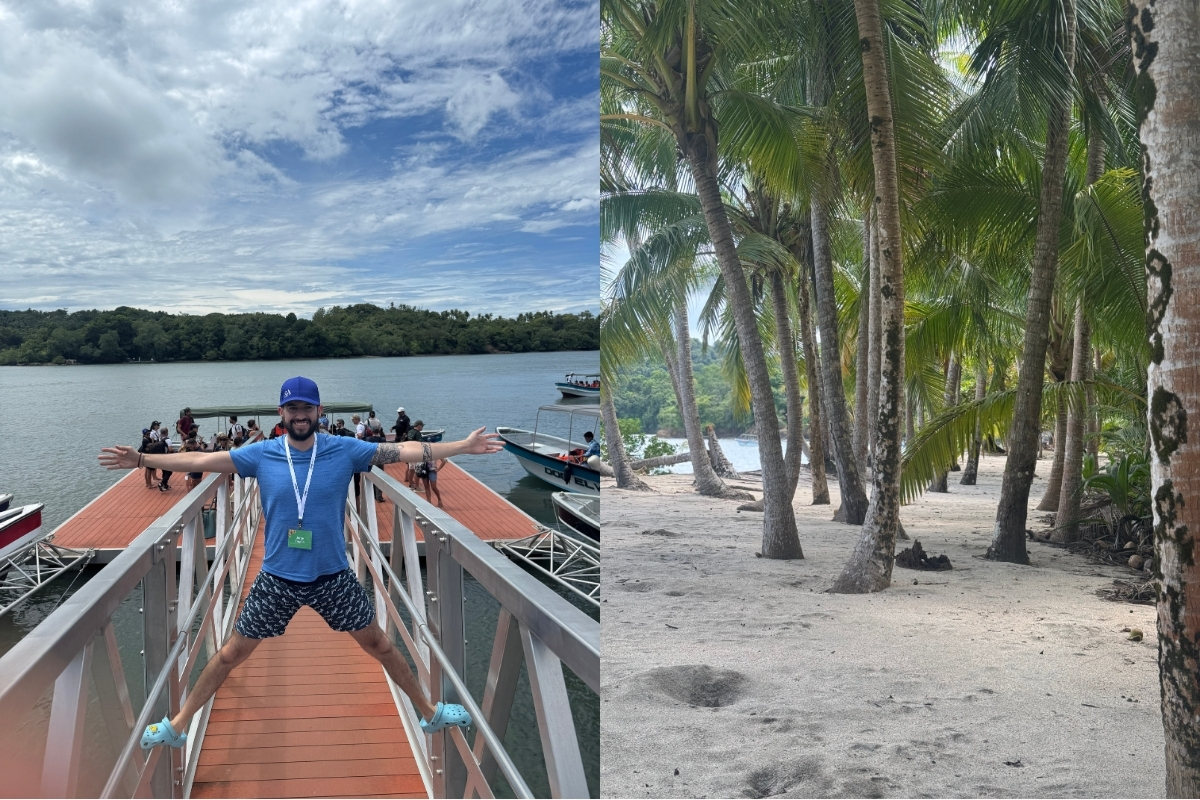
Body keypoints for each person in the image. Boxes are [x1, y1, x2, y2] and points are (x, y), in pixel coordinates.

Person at [99, 376, 504, 750]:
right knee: (229, 654)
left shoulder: (344, 450)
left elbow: (404, 450)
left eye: (306, 408)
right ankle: (178, 725)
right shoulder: (261, 455)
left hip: (333, 576)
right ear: (282, 414)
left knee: (380, 643)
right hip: (278, 577)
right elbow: (199, 463)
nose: (299, 415)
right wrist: (142, 461)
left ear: (318, 412)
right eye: (292, 409)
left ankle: (430, 714)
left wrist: (462, 448)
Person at [404, 421, 425, 488]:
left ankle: (411, 484)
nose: (422, 427)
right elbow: (419, 444)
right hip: (415, 453)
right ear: (418, 425)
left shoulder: (410, 431)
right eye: (422, 426)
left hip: (409, 452)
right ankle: (417, 486)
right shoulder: (418, 433)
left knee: (411, 469)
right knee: (417, 470)